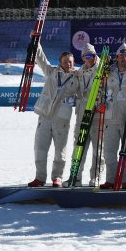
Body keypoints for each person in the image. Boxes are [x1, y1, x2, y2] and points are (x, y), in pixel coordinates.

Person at [27, 45, 79, 188]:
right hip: (45, 116)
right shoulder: (51, 72)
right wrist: (36, 42)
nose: (68, 64)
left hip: (61, 119)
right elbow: (40, 59)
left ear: (73, 62)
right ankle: (39, 177)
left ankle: (57, 177)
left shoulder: (77, 77)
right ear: (60, 62)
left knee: (60, 150)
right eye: (65, 61)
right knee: (40, 148)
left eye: (70, 61)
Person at [100, 42, 126, 190]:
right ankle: (111, 180)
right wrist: (100, 103)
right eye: (121, 56)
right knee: (109, 152)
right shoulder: (108, 71)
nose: (124, 58)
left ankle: (125, 180)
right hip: (111, 117)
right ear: (116, 57)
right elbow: (100, 90)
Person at [70, 43, 105, 186]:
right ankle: (75, 176)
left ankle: (95, 177)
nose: (90, 58)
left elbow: (108, 90)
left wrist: (102, 103)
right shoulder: (80, 72)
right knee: (79, 146)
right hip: (82, 114)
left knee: (98, 148)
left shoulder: (103, 70)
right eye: (87, 56)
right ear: (83, 57)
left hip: (96, 114)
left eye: (92, 55)